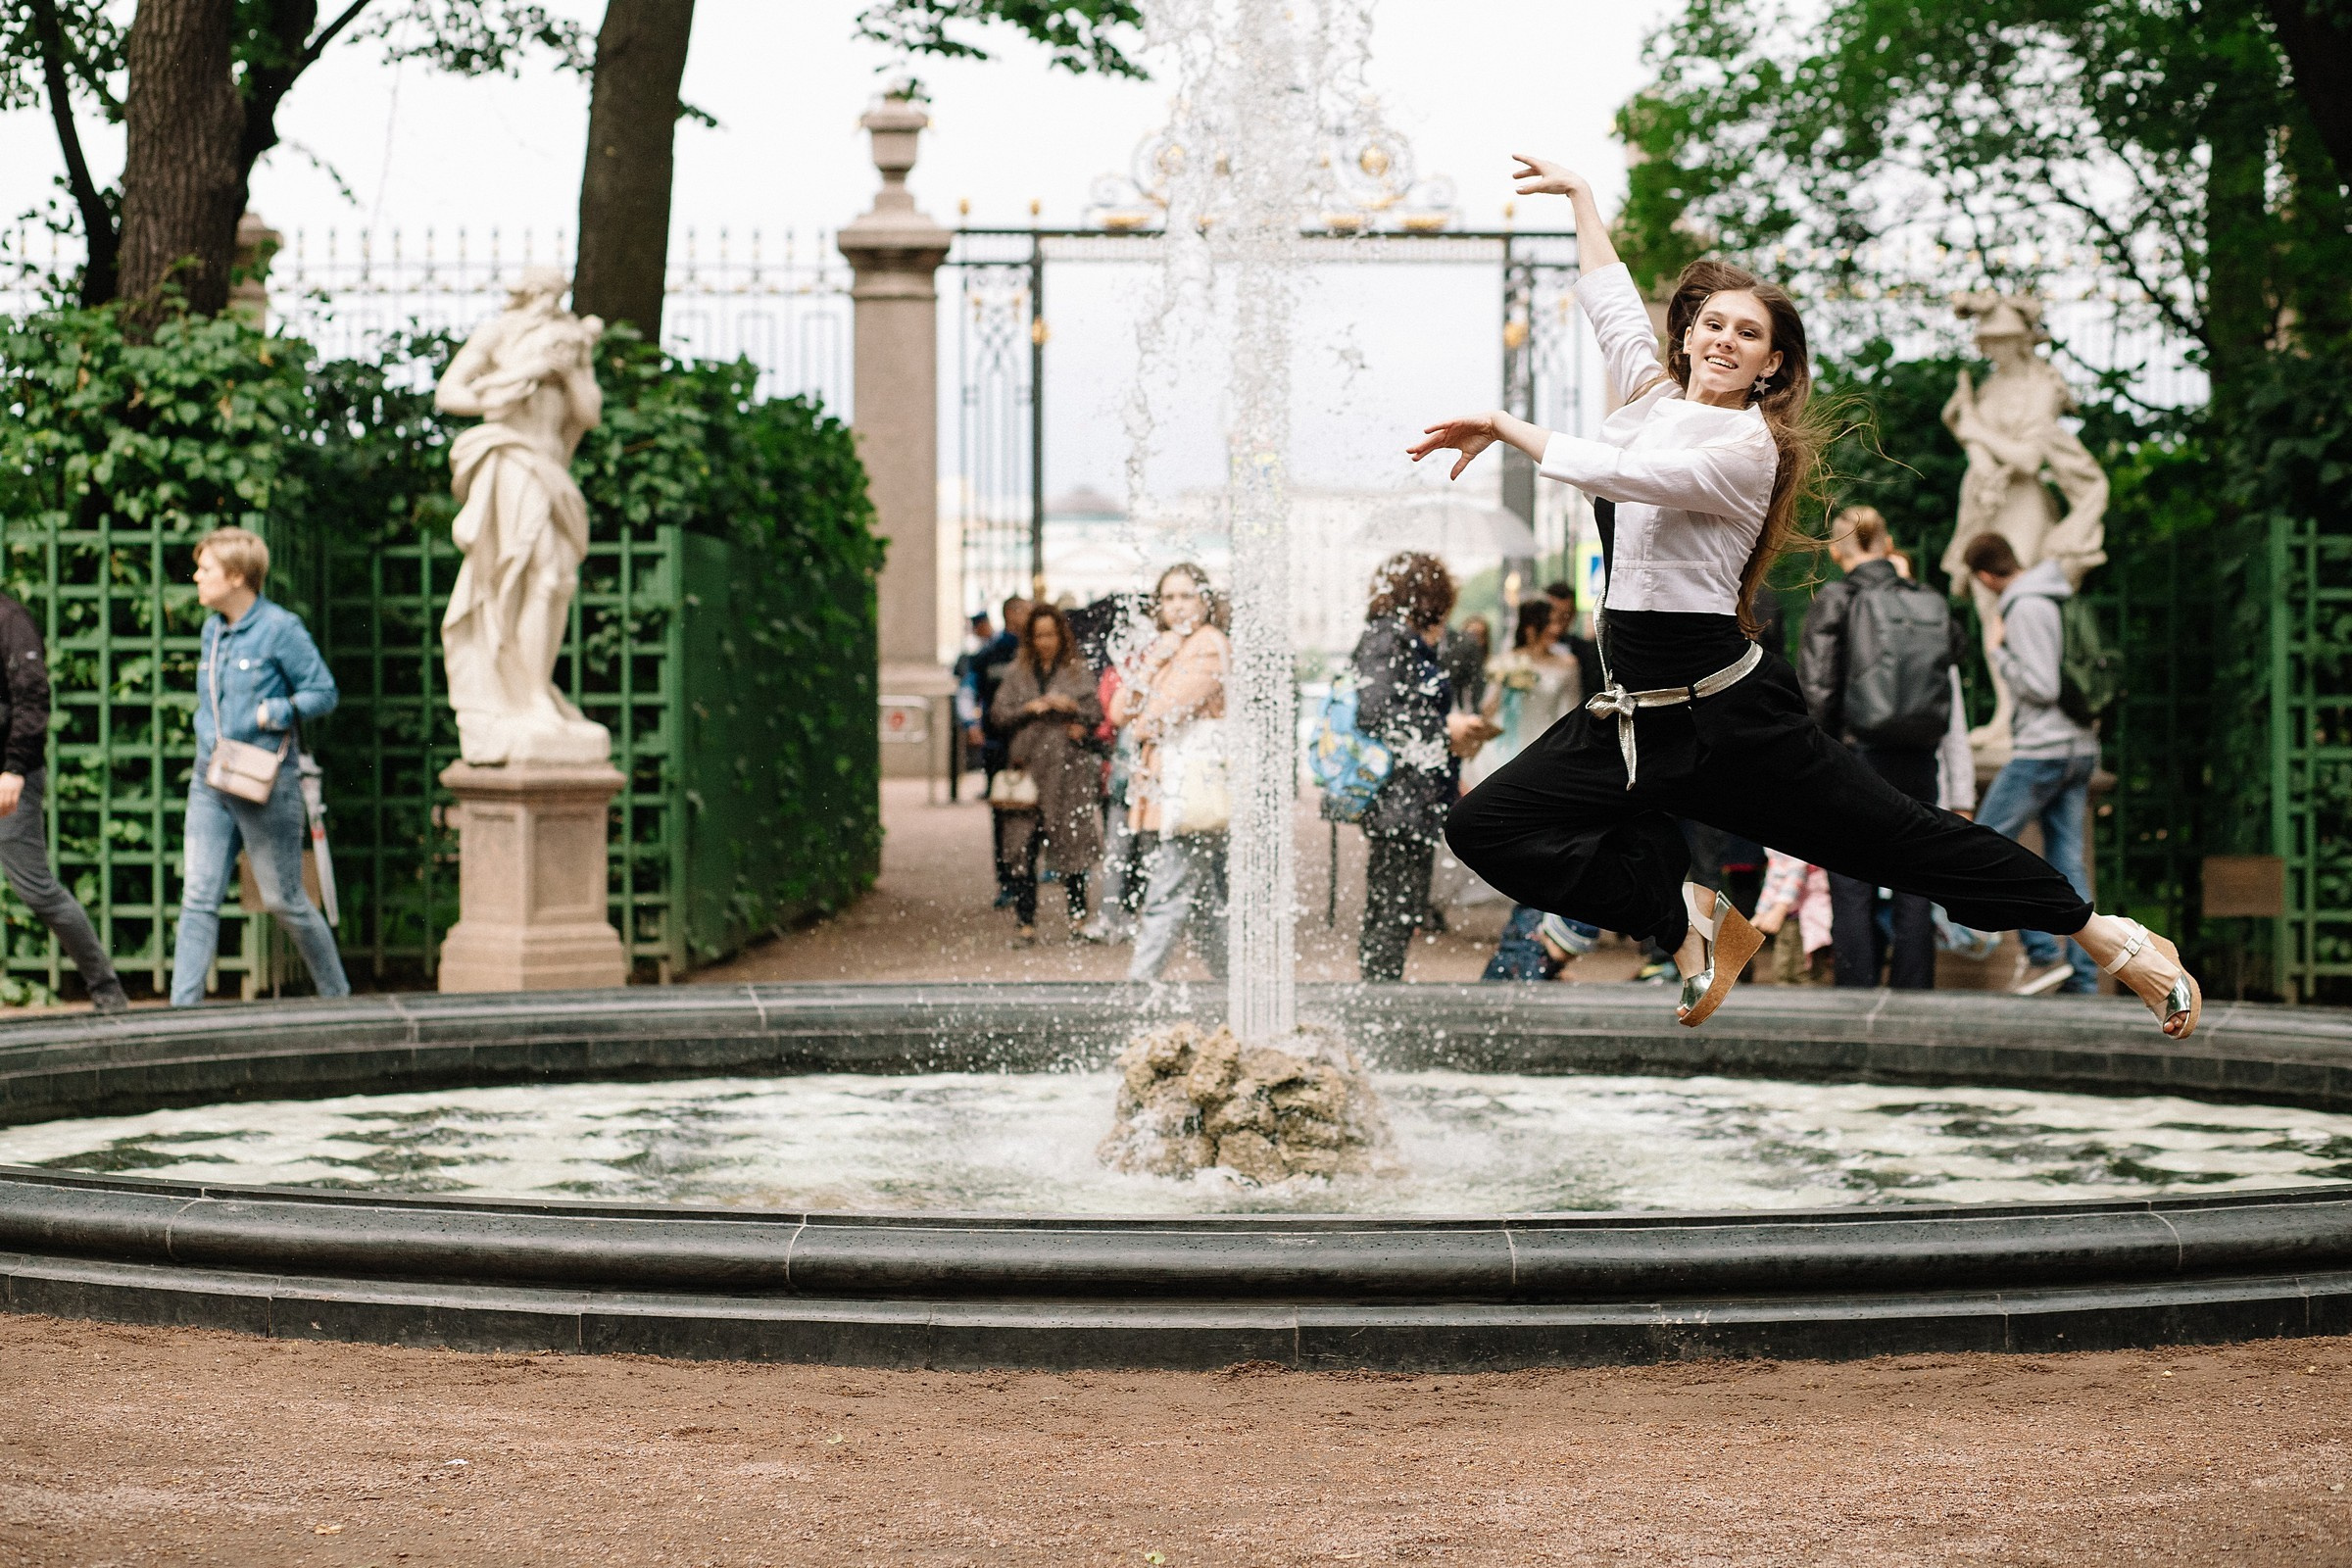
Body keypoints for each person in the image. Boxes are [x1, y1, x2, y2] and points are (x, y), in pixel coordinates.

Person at [1412, 151, 2199, 1038]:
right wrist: (1585, 203)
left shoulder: (1746, 447)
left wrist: (1509, 425)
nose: (1723, 340)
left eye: (1748, 335)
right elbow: (1609, 307)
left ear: (1770, 365)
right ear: (1687, 336)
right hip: (1632, 718)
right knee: (1489, 829)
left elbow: (1629, 475)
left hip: (1731, 722)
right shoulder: (1651, 398)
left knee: (1901, 841)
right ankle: (1690, 923)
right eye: (1712, 324)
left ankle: (2105, 933)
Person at [173, 528, 349, 1006]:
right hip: (211, 778)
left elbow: (323, 692)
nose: (197, 577)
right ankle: (178, 1015)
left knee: (284, 900)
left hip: (265, 784)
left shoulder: (281, 629)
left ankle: (338, 999)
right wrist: (206, 730)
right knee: (198, 897)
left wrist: (272, 713)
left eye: (206, 569)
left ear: (235, 577)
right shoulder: (214, 629)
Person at [1797, 505, 1964, 990]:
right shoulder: (1925, 596)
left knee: (1852, 882)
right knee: (1915, 879)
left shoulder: (1837, 597)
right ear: (1888, 546)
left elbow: (1818, 688)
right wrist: (1909, 587)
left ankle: (1856, 990)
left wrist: (1818, 758)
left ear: (1836, 549)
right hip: (1919, 755)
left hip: (1855, 753)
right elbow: (1955, 652)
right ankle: (1915, 992)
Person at [1961, 531, 2102, 995]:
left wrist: (2000, 653)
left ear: (1985, 575)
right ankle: (2081, 975)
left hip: (2044, 750)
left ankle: (2043, 953)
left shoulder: (2024, 606)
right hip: (2079, 747)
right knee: (2068, 861)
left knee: (1984, 844)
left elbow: (2041, 686)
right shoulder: (2055, 594)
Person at [1351, 552, 1494, 982]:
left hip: (1413, 795)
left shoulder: (1403, 637)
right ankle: (1379, 991)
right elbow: (1374, 711)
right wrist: (1444, 727)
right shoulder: (1387, 637)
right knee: (1393, 903)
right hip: (1397, 793)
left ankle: (1381, 987)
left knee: (1399, 903)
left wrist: (1453, 736)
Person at [0, 590, 124, 1012]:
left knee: (36, 889)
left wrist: (15, 767)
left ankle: (106, 988)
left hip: (7, 774)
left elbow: (32, 695)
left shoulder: (10, 619)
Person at [1114, 564, 1230, 981]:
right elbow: (1118, 711)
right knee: (1198, 901)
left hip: (1189, 791)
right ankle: (1232, 984)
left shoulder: (1207, 646)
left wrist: (1146, 711)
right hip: (1168, 791)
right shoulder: (1168, 647)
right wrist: (1152, 663)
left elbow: (1151, 721)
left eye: (1186, 596)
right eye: (1168, 598)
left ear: (1205, 601)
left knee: (1167, 894)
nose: (1177, 606)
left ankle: (1137, 989)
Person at [988, 603, 1103, 945]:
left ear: (1061, 636)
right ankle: (1026, 923)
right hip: (1028, 768)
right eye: (1039, 635)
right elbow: (999, 714)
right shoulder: (1018, 673)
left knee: (1072, 844)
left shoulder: (1077, 672)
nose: (1045, 642)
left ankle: (1078, 920)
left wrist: (1073, 709)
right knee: (1022, 847)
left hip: (1067, 771)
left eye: (1051, 634)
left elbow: (1096, 713)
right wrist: (1029, 708)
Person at [968, 596, 1031, 907]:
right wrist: (971, 723)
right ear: (1012, 614)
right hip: (1003, 744)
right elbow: (970, 692)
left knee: (1015, 813)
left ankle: (1016, 878)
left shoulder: (1028, 654)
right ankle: (1012, 879)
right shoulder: (993, 656)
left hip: (1017, 745)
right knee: (1007, 812)